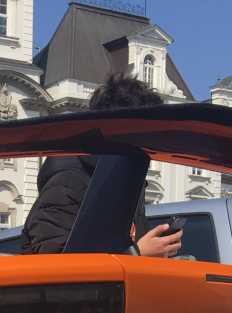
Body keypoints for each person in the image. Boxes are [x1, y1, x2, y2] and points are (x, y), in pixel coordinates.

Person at [20, 72, 183, 258]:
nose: (150, 144)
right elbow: (61, 267)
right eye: (145, 131)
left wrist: (154, 254)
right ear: (118, 127)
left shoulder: (122, 180)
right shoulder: (67, 183)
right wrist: (138, 253)